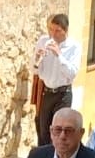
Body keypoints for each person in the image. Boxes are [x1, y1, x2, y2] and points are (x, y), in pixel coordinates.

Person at [30, 13, 81, 147]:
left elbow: (72, 73)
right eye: (51, 29)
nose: (53, 34)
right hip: (47, 92)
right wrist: (37, 59)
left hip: (63, 94)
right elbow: (35, 70)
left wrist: (59, 55)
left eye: (57, 30)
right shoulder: (43, 41)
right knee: (43, 132)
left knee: (59, 131)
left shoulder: (74, 47)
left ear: (65, 31)